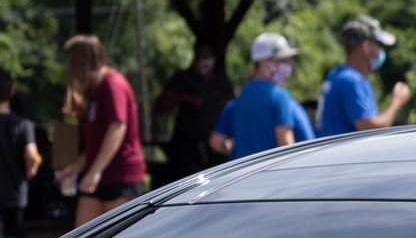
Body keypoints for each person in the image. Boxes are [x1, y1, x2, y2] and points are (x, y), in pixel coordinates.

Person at [62, 34, 148, 224]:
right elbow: (97, 140)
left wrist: (94, 171)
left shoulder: (112, 83)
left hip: (120, 175)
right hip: (98, 176)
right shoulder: (94, 89)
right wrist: (78, 165)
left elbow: (118, 126)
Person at [210, 33, 315, 161]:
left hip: (243, 177)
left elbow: (216, 141)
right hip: (271, 177)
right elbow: (286, 145)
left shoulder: (238, 100)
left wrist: (235, 151)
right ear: (264, 62)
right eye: (281, 60)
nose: (287, 65)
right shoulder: (279, 97)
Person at [316, 16, 414, 137]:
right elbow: (369, 128)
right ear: (366, 47)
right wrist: (397, 102)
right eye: (378, 44)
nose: (380, 51)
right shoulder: (352, 81)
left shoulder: (335, 74)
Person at [156, 44, 224, 182]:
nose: (203, 60)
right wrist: (185, 97)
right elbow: (160, 106)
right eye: (200, 56)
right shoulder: (182, 78)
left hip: (214, 150)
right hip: (186, 150)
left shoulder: (222, 81)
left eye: (207, 56)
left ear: (215, 58)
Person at [0, 68, 36, 238]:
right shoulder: (23, 124)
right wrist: (29, 174)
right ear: (11, 91)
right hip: (16, 194)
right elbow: (31, 155)